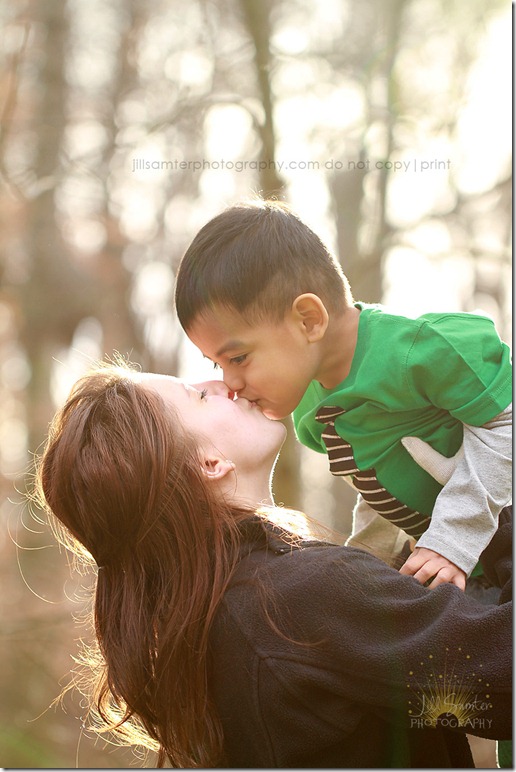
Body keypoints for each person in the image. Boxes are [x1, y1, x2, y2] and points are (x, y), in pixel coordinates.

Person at [35, 361, 511, 768]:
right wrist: (494, 509)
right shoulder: (300, 597)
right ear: (208, 463)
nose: (225, 383)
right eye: (200, 396)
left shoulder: (207, 624)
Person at [174, 199, 512, 590]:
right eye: (218, 364)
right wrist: (367, 568)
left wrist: (451, 540)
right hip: (474, 577)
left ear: (308, 320)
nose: (230, 383)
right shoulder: (311, 412)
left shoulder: (420, 352)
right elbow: (381, 484)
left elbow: (505, 424)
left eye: (238, 358)